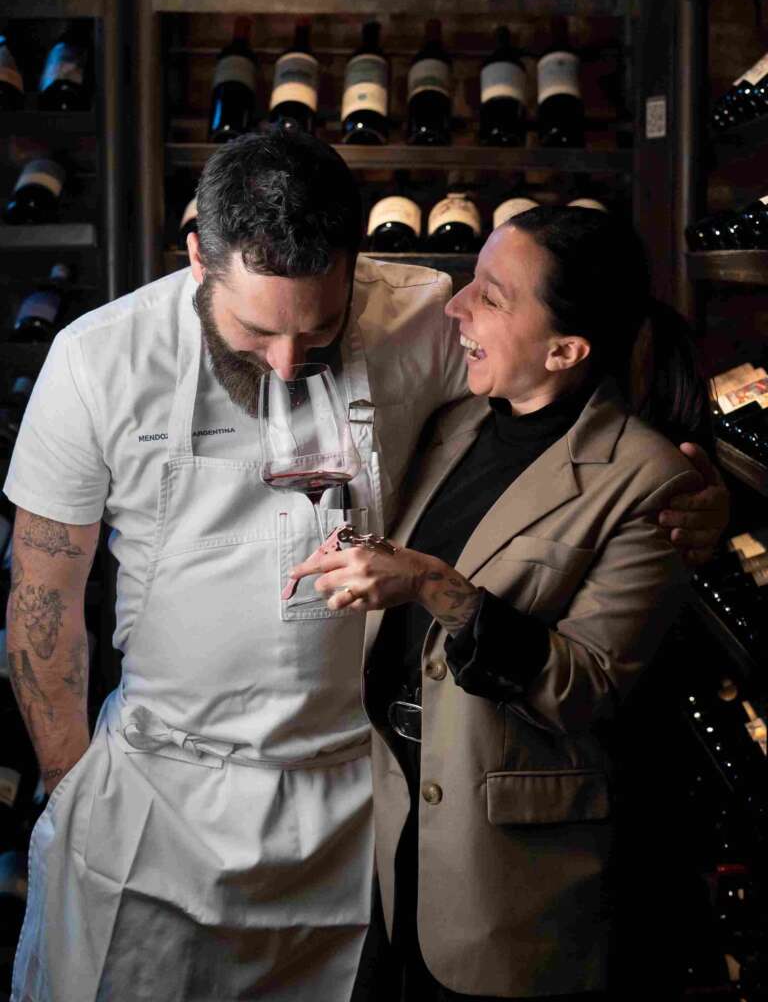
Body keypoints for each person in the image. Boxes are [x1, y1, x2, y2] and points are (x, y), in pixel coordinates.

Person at [3, 128, 723, 1001]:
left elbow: (567, 387)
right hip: (161, 793)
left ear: (357, 265)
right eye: (257, 330)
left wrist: (691, 481)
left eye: (320, 327)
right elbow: (43, 591)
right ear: (199, 258)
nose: (288, 362)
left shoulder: (424, 315)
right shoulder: (98, 359)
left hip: (358, 803)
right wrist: (68, 782)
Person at [291, 206, 723, 1001]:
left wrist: (434, 586)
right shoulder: (454, 428)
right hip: (402, 839)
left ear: (565, 350)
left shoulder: (647, 482)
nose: (457, 307)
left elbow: (586, 688)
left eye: (491, 296)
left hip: (513, 880)